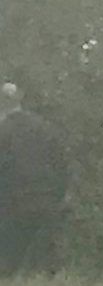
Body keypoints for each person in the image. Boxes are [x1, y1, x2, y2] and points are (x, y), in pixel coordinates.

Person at [0, 84, 71, 274]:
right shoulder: (43, 127)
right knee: (44, 265)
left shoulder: (3, 131)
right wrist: (61, 194)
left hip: (14, 205)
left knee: (9, 264)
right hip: (48, 202)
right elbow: (62, 163)